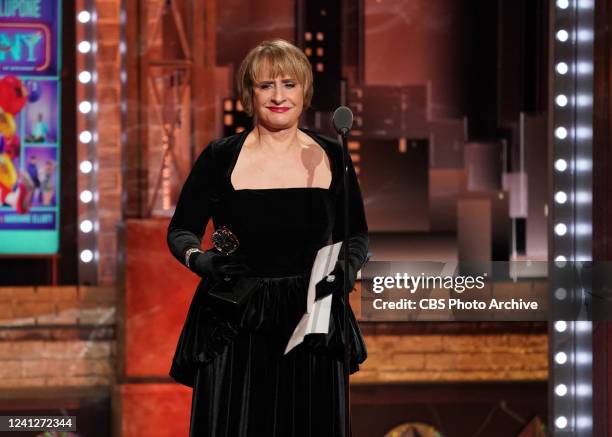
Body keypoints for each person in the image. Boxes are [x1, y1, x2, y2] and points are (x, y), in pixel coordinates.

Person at [167, 38, 369, 437]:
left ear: (305, 91)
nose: (279, 96)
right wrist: (198, 259)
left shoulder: (332, 154)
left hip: (312, 321)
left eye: (289, 84)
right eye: (266, 86)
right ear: (250, 94)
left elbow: (357, 234)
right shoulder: (220, 156)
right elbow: (181, 230)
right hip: (235, 320)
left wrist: (348, 265)